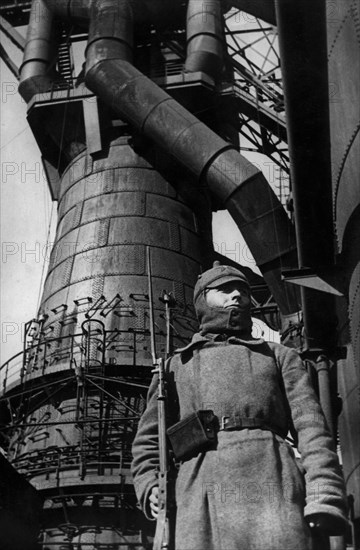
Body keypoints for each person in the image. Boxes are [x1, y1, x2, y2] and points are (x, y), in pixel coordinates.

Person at [131, 262, 348, 550]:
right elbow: (148, 443)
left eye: (243, 291)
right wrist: (149, 487)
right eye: (225, 289)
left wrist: (324, 495)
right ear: (202, 299)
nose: (236, 296)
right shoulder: (173, 367)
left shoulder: (279, 356)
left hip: (274, 487)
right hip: (198, 499)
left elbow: (313, 432)